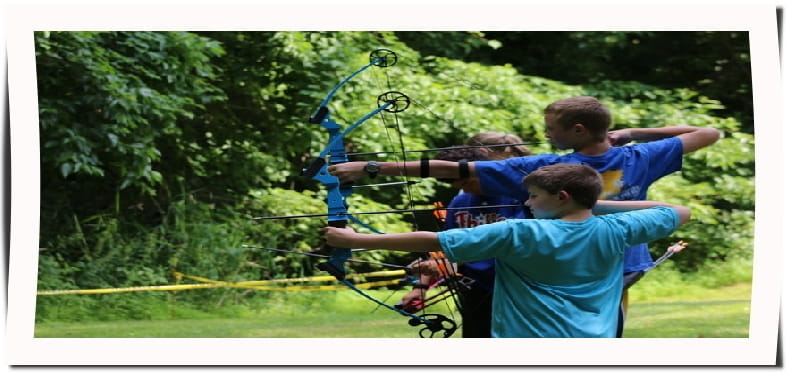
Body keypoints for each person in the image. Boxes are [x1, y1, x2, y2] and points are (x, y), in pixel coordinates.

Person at [326, 96, 721, 335]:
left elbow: (456, 171)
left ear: (579, 131)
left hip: (555, 264)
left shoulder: (545, 172)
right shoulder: (640, 157)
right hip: (616, 262)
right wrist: (631, 132)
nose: (547, 135)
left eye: (551, 129)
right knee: (600, 326)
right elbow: (708, 133)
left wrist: (372, 169)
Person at [323, 163, 691, 337]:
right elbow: (677, 212)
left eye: (533, 196)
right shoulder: (616, 228)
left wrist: (355, 241)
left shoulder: (519, 232)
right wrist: (592, 204)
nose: (527, 203)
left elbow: (434, 241)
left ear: (561, 197)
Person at [398, 134, 530, 338]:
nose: (466, 189)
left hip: (516, 289)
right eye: (459, 186)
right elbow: (451, 246)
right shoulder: (461, 202)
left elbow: (517, 244)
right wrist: (423, 284)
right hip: (475, 290)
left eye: (468, 182)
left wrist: (449, 263)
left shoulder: (523, 198)